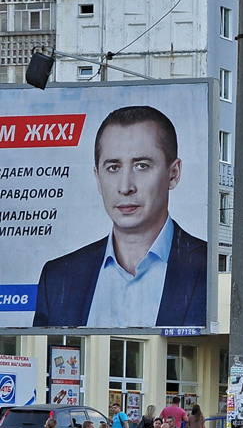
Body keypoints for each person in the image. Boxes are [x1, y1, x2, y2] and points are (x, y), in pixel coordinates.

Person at [33, 105, 208, 328]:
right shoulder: (59, 277)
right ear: (98, 177)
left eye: (142, 166)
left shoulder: (210, 270)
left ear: (173, 174)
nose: (125, 187)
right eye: (113, 167)